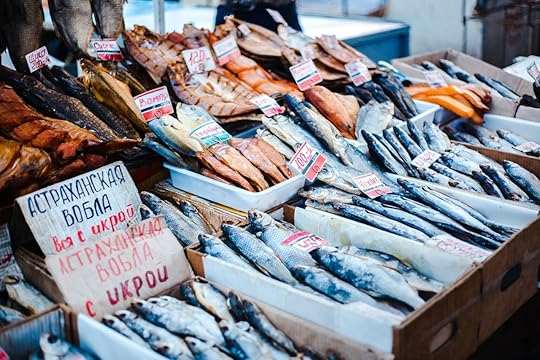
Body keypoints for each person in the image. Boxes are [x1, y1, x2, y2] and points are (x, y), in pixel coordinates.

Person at [215, 0, 302, 32]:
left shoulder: (286, 4)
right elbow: (219, 28)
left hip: (276, 57)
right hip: (238, 50)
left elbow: (296, 32)